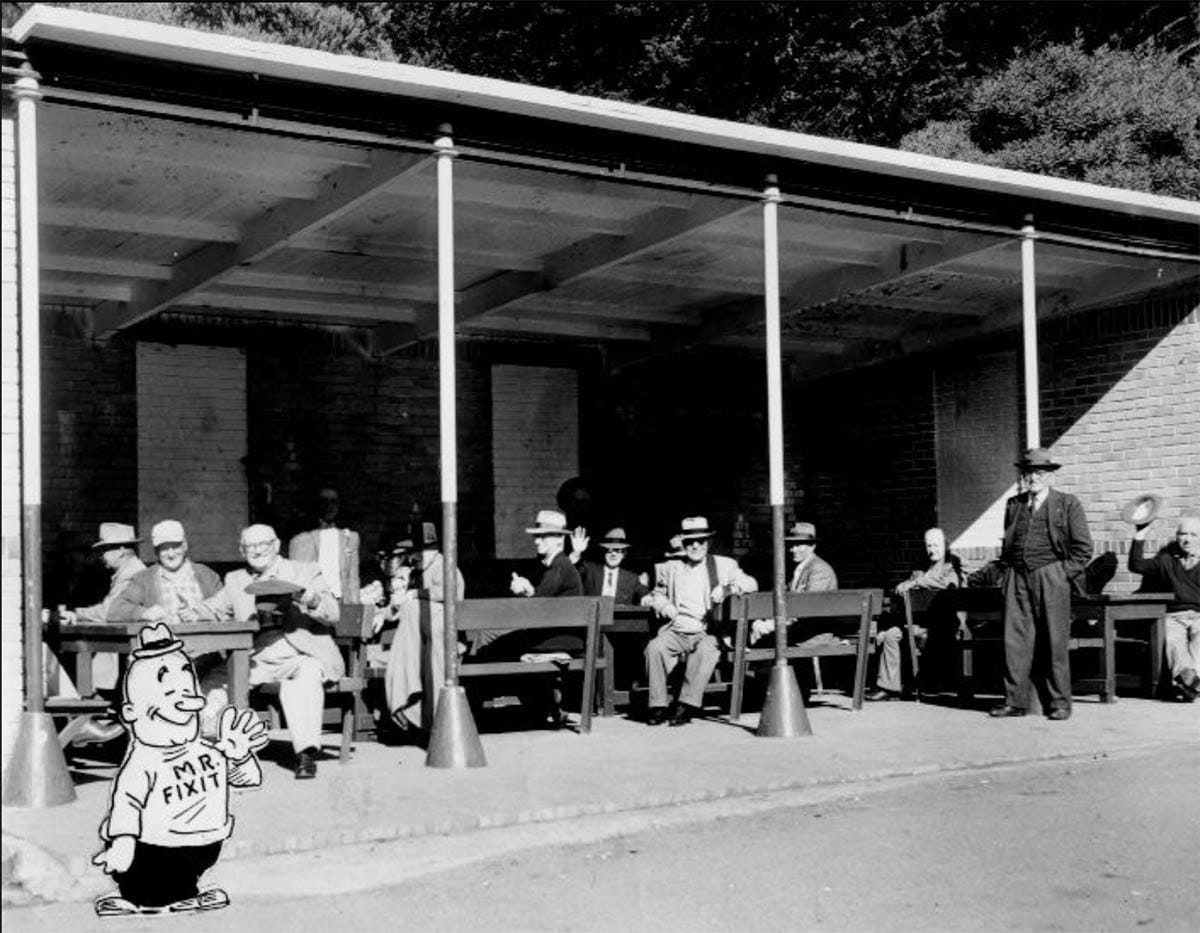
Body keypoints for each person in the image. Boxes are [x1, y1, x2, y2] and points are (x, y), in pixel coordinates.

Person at [92, 622, 265, 917]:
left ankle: (181, 888)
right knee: (148, 885)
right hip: (162, 846)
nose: (182, 697)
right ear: (131, 712)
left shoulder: (206, 750)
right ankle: (146, 891)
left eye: (186, 686)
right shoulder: (145, 760)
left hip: (202, 845)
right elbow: (127, 802)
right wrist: (122, 841)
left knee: (163, 887)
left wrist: (240, 756)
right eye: (167, 691)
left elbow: (248, 780)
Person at [196, 525, 341, 778]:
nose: (257, 550)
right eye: (249, 546)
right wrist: (193, 611)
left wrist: (307, 597)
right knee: (209, 689)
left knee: (305, 677)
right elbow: (214, 609)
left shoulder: (304, 571)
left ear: (276, 545)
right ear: (242, 551)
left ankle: (305, 754)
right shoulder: (236, 579)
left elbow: (333, 613)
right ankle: (209, 752)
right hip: (253, 657)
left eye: (263, 544)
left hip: (298, 652)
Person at [990, 448, 1092, 721]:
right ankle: (1015, 702)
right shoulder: (1014, 505)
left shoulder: (1068, 503)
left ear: (1048, 476)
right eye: (1027, 472)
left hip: (1051, 576)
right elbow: (1007, 544)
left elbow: (1083, 550)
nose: (1032, 477)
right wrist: (1006, 574)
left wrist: (1061, 574)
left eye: (1038, 472)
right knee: (1015, 641)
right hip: (1017, 577)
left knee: (1055, 641)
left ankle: (1059, 703)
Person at [644, 516, 757, 727]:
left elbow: (751, 583)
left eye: (700, 541)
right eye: (689, 542)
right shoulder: (671, 567)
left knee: (706, 650)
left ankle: (685, 705)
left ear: (708, 543)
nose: (695, 546)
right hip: (677, 629)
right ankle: (657, 705)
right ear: (682, 543)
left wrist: (727, 589)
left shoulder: (724, 565)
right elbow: (656, 594)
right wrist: (664, 605)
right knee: (655, 648)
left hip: (708, 630)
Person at [382, 522, 465, 734]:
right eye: (414, 551)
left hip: (442, 640)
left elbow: (451, 592)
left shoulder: (444, 566)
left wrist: (416, 594)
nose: (416, 556)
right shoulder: (416, 572)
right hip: (422, 639)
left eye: (422, 551)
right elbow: (398, 607)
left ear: (434, 550)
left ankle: (435, 723)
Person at [867, 527, 963, 702]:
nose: (932, 550)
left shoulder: (951, 565)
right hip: (915, 623)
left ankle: (915, 684)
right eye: (928, 545)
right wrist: (906, 584)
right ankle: (890, 688)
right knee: (889, 635)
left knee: (908, 635)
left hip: (939, 625)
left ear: (945, 545)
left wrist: (918, 582)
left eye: (936, 545)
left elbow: (950, 584)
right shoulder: (921, 567)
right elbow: (909, 585)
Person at [1128, 514, 1200, 702]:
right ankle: (1188, 679)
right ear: (1177, 537)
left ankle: (1189, 683)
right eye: (1183, 534)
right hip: (1173, 616)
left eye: (1193, 535)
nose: (1187, 539)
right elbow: (1136, 565)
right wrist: (1140, 535)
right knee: (1173, 641)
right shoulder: (1166, 560)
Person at [749, 521, 837, 644]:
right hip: (797, 627)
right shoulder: (798, 567)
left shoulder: (820, 570)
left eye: (799, 545)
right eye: (791, 545)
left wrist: (774, 623)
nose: (793, 549)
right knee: (757, 627)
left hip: (811, 633)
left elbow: (809, 608)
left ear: (812, 546)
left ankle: (764, 662)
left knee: (759, 633)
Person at [288, 486, 361, 605]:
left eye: (333, 502)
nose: (329, 506)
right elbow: (297, 579)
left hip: (341, 603)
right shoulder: (302, 539)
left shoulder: (350, 538)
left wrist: (355, 610)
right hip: (314, 604)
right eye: (324, 501)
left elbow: (353, 579)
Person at [573, 527, 650, 606]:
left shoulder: (631, 578)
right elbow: (570, 574)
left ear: (624, 554)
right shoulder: (590, 570)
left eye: (617, 550)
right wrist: (576, 553)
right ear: (604, 552)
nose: (613, 554)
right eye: (609, 550)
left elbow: (645, 595)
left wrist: (649, 600)